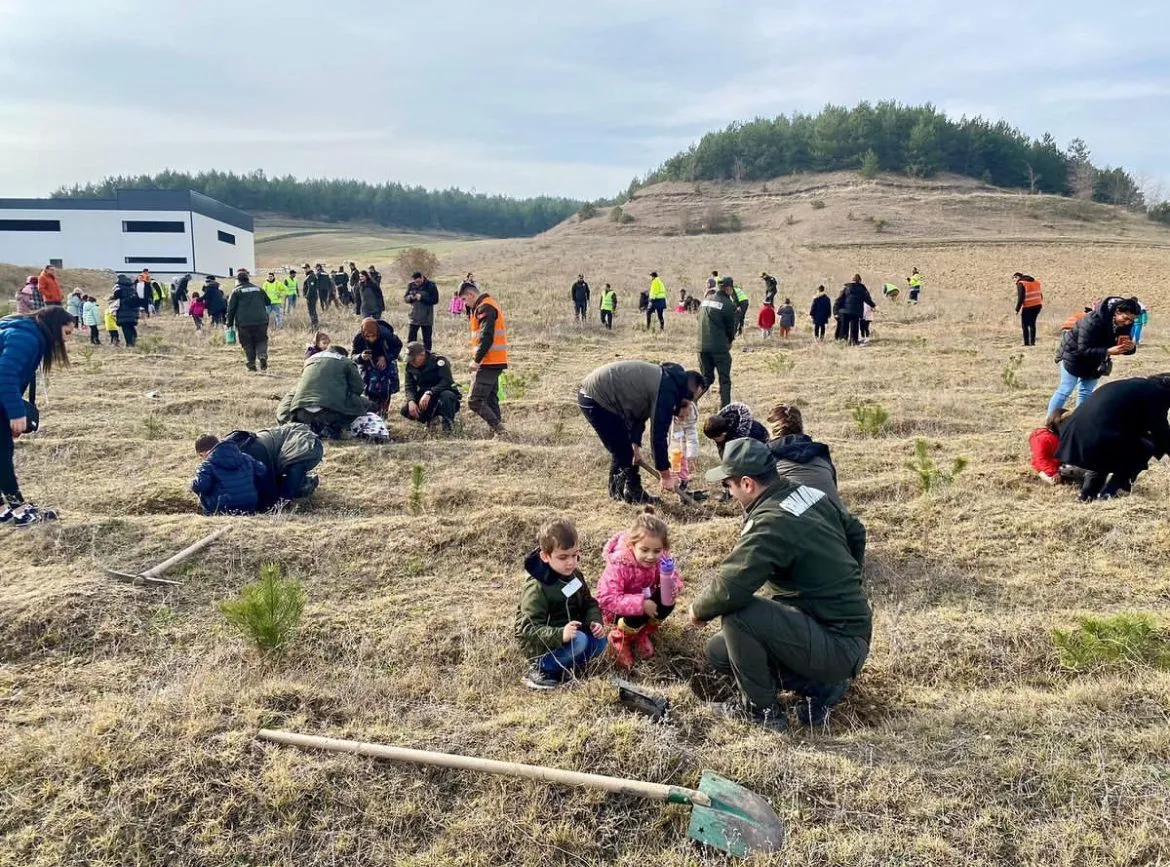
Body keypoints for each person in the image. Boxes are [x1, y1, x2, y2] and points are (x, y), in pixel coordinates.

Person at [692, 439, 871, 731]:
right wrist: (847, 579)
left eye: (729, 485)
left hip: (838, 642)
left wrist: (697, 611)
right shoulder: (806, 494)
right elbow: (856, 531)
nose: (729, 491)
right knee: (720, 652)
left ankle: (762, 713)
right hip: (847, 631)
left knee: (739, 615)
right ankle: (823, 687)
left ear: (747, 484)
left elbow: (730, 587)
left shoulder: (770, 520)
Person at [577, 360, 707, 503]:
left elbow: (638, 413)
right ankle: (619, 495)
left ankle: (633, 491)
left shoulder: (668, 381)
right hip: (596, 397)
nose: (691, 402)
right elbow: (658, 436)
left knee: (628, 450)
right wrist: (665, 475)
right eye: (692, 398)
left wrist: (635, 445)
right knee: (622, 450)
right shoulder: (666, 391)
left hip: (605, 396)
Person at [0, 307, 73, 526]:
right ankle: (20, 511)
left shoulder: (25, 331)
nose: (67, 340)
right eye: (67, 333)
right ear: (54, 325)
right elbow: (5, 373)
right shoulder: (26, 337)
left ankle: (3, 510)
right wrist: (15, 413)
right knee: (2, 452)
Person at [515, 518, 607, 690]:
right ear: (545, 556)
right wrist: (560, 634)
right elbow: (527, 628)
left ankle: (566, 667)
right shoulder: (536, 587)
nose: (571, 562)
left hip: (570, 634)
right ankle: (541, 671)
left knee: (600, 641)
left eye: (575, 555)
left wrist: (595, 621)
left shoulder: (575, 575)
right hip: (542, 648)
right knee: (579, 641)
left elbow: (589, 603)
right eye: (563, 557)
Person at [1056, 374, 1170, 501]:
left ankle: (1087, 494)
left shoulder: (1137, 386)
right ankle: (1111, 491)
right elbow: (1161, 432)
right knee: (1146, 446)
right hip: (1098, 435)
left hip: (1075, 431)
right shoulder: (1157, 394)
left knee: (1108, 450)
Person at [597, 510, 681, 668]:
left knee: (667, 601)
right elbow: (606, 597)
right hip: (617, 612)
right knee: (637, 612)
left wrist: (672, 584)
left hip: (644, 602)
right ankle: (621, 639)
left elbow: (674, 575)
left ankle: (643, 632)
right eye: (644, 550)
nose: (651, 556)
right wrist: (640, 604)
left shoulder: (661, 558)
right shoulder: (619, 564)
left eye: (657, 551)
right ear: (631, 545)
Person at [1046, 296, 1140, 417]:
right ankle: (1049, 425)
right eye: (1125, 318)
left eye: (1131, 320)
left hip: (1096, 360)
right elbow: (1083, 349)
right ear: (1117, 312)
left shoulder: (1125, 324)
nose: (1127, 322)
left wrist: (1130, 348)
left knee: (1085, 393)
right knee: (1065, 389)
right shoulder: (1092, 320)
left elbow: (1121, 346)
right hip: (1073, 355)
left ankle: (1079, 423)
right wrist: (1108, 351)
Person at [276, 345, 371, 439]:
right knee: (365, 403)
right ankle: (334, 427)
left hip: (302, 414)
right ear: (343, 354)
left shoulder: (309, 360)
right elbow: (358, 388)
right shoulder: (346, 362)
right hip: (330, 414)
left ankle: (307, 427)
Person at [222, 423, 324, 510]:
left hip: (299, 445)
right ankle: (303, 483)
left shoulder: (250, 455)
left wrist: (280, 502)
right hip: (275, 447)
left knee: (283, 491)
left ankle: (304, 484)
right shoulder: (224, 456)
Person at [766, 402, 842, 508]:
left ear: (771, 431)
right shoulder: (821, 454)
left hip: (795, 520)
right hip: (837, 521)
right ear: (801, 426)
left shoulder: (766, 457)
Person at [457, 282, 509, 437]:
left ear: (472, 295)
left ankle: (500, 430)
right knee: (490, 399)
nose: (465, 303)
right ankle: (499, 434)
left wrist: (477, 360)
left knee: (475, 400)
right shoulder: (485, 305)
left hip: (489, 361)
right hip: (493, 360)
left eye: (465, 299)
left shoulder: (484, 307)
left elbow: (487, 336)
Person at [190, 434, 267, 516]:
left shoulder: (206, 465)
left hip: (222, 508)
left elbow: (201, 486)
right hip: (249, 504)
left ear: (205, 452)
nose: (203, 458)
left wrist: (192, 483)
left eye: (201, 455)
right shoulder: (245, 457)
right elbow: (262, 470)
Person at [402, 341, 461, 431]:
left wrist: (430, 392)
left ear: (422, 354)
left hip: (442, 393)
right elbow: (409, 386)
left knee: (447, 396)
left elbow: (446, 381)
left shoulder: (439, 361)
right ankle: (430, 421)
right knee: (405, 410)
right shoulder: (410, 366)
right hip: (424, 398)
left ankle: (448, 426)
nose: (411, 362)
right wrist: (411, 401)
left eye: (413, 359)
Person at [698, 276, 738, 408]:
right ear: (729, 289)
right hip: (719, 347)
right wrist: (730, 340)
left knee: (706, 378)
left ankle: (690, 400)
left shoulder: (705, 301)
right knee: (724, 379)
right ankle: (725, 408)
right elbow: (730, 328)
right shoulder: (727, 304)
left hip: (701, 346)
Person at [352, 317, 402, 416]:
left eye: (373, 336)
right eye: (368, 337)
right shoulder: (358, 338)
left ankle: (383, 413)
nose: (371, 339)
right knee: (369, 390)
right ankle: (371, 413)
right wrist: (361, 357)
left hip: (386, 364)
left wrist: (386, 358)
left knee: (385, 390)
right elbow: (353, 356)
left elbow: (397, 348)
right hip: (368, 365)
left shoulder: (387, 335)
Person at [226, 269, 271, 372]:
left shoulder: (236, 291)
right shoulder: (259, 289)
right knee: (261, 340)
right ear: (248, 279)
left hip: (244, 323)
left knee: (247, 343)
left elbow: (231, 309)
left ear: (238, 280)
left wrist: (229, 322)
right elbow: (268, 302)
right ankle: (262, 356)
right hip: (261, 321)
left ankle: (251, 364)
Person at [702, 402, 769, 458]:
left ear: (723, 433)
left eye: (714, 439)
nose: (714, 441)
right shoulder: (720, 428)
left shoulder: (752, 432)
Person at [1030, 409, 1069, 485]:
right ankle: (1044, 474)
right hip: (1049, 466)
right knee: (1054, 480)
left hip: (1060, 463)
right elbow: (1041, 459)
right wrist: (1053, 472)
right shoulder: (1041, 438)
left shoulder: (1059, 435)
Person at [403, 271, 439, 350]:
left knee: (427, 340)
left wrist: (422, 298)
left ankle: (427, 356)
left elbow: (435, 300)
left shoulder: (431, 285)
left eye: (419, 281)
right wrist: (410, 298)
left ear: (422, 278)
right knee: (411, 339)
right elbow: (405, 298)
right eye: (415, 282)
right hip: (414, 317)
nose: (417, 283)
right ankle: (410, 355)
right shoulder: (411, 285)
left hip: (427, 317)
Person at [840, 275, 876, 346]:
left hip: (845, 311)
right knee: (854, 328)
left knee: (844, 328)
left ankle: (843, 342)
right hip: (855, 311)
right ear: (860, 281)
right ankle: (853, 342)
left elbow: (840, 299)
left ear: (852, 280)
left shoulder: (846, 288)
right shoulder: (861, 289)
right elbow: (867, 299)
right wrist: (873, 305)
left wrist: (836, 310)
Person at [111, 274, 142, 346]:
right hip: (133, 312)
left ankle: (129, 344)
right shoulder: (133, 288)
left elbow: (115, 296)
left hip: (123, 313)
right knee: (131, 327)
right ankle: (134, 341)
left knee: (126, 329)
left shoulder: (119, 289)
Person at [1014, 272, 1043, 347]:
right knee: (1032, 324)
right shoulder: (1035, 282)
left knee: (1025, 324)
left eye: (1014, 278)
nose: (1014, 281)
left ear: (1017, 277)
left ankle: (1026, 343)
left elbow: (1021, 297)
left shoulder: (1021, 283)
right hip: (1038, 305)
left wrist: (1017, 309)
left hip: (1028, 306)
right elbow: (1040, 294)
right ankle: (1032, 342)